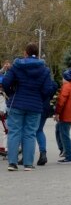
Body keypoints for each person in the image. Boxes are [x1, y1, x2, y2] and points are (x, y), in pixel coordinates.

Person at [0, 43, 58, 171]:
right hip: (35, 105)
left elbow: (5, 82)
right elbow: (48, 89)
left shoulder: (16, 66)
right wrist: (40, 98)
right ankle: (28, 164)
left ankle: (12, 163)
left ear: (25, 53)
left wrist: (11, 94)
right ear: (37, 54)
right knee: (30, 133)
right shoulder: (44, 69)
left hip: (16, 103)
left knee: (14, 132)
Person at [54, 69, 71, 165]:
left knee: (64, 135)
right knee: (59, 129)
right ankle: (64, 151)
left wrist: (57, 112)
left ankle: (69, 156)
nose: (62, 79)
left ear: (67, 78)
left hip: (65, 114)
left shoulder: (67, 86)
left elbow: (61, 101)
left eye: (63, 77)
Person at [35, 84, 58, 166]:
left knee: (28, 132)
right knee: (39, 130)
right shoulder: (49, 82)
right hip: (45, 107)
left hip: (34, 107)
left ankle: (25, 156)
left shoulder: (34, 77)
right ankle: (43, 154)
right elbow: (54, 87)